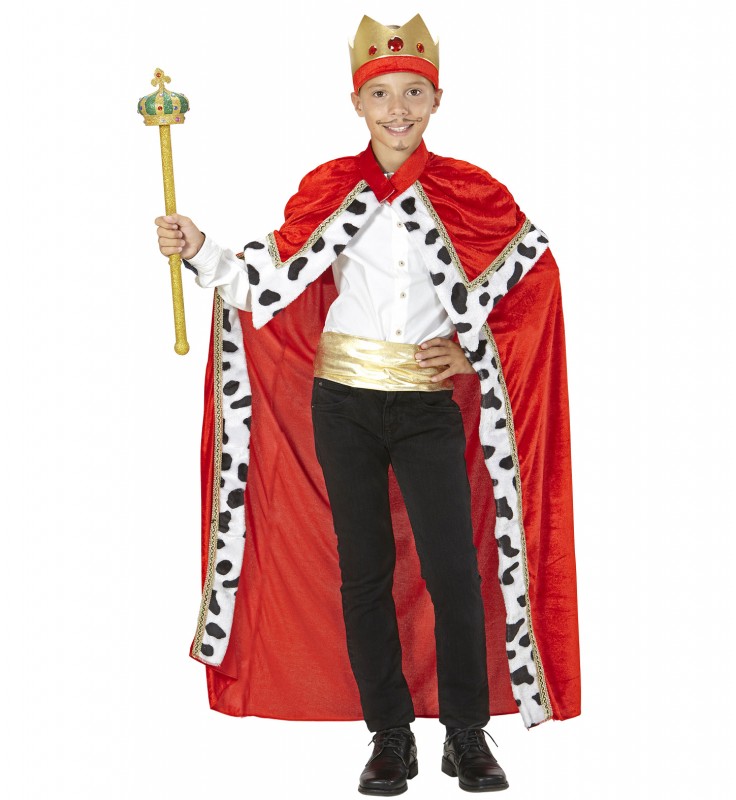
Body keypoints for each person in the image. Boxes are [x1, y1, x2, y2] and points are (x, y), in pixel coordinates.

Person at [154, 13, 580, 796]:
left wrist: (473, 351)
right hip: (343, 403)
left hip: (426, 406)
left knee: (454, 573)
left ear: (437, 99)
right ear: (357, 103)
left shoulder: (471, 192)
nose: (398, 109)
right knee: (364, 573)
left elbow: (533, 284)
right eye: (381, 94)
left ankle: (464, 735)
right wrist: (200, 249)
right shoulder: (332, 189)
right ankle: (390, 736)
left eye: (414, 92)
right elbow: (263, 285)